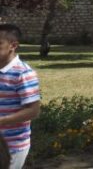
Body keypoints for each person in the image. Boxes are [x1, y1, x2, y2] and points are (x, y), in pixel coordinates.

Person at [0, 24, 41, 169]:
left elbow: (33, 110)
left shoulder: (23, 73)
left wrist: (3, 121)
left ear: (13, 45)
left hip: (13, 145)